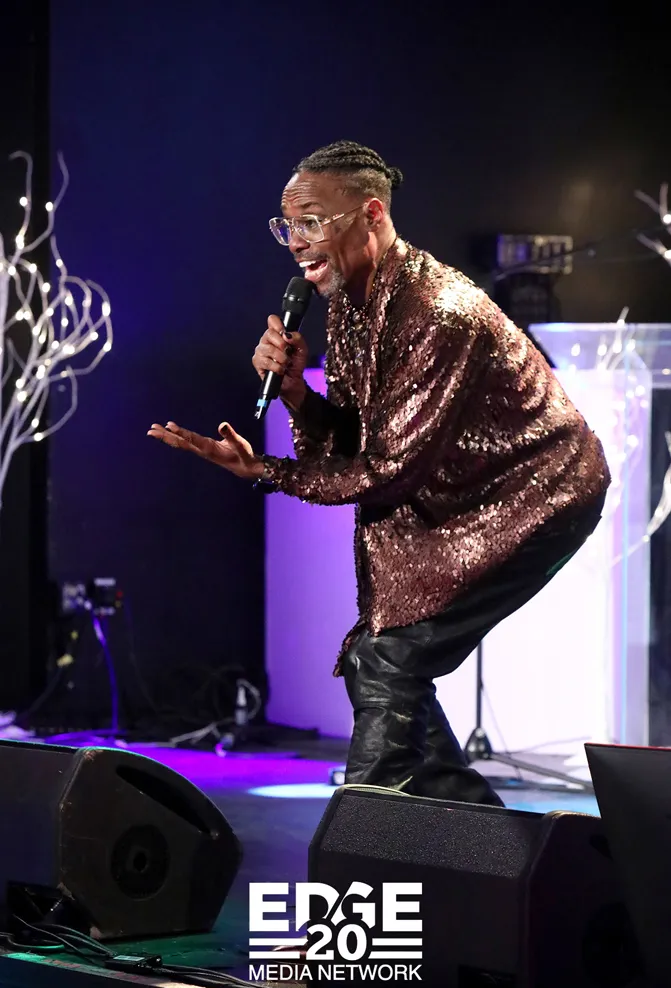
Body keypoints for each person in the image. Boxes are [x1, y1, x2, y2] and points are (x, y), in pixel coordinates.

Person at [148, 140, 610, 808]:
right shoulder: (351, 301)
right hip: (453, 488)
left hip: (539, 490)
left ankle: (363, 845)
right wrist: (295, 393)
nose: (295, 242)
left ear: (370, 214)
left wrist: (265, 469)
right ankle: (484, 839)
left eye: (311, 222)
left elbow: (388, 471)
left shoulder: (437, 310)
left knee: (389, 658)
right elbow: (356, 442)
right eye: (287, 226)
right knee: (377, 660)